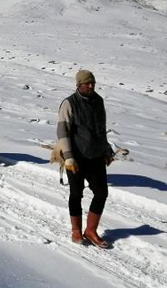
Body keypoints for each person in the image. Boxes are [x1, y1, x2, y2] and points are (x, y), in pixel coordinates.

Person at [56, 69, 113, 248]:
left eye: (93, 83)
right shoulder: (69, 103)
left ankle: (91, 230)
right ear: (78, 85)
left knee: (102, 192)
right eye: (87, 83)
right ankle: (76, 230)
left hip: (95, 155)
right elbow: (62, 131)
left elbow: (101, 128)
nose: (91, 86)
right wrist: (68, 157)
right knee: (76, 193)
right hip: (76, 157)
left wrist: (106, 148)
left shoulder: (98, 101)